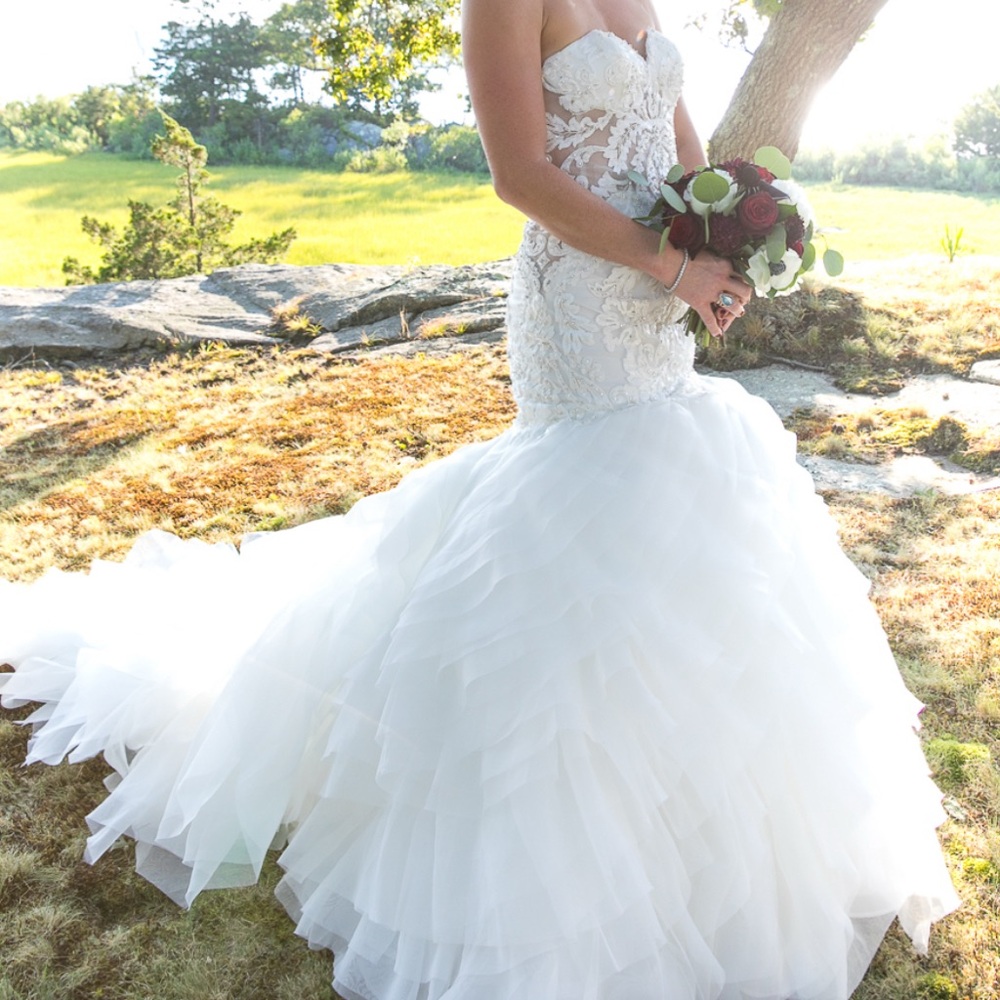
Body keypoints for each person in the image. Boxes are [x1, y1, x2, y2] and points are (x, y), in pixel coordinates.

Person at [0, 0, 959, 997]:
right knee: (579, 506)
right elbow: (519, 173)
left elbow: (680, 152)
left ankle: (699, 823)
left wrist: (727, 242)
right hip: (580, 300)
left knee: (679, 499)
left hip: (654, 296)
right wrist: (669, 262)